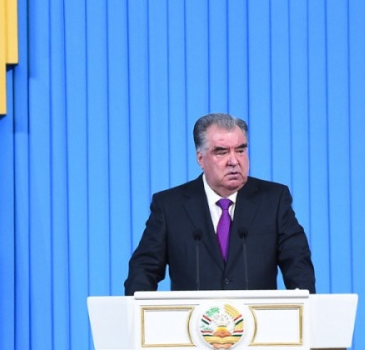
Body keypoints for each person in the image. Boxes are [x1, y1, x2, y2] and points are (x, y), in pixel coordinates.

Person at [124, 113, 316, 294]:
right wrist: (138, 313)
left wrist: (304, 309)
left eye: (240, 150)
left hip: (257, 318)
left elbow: (298, 265)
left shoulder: (273, 200)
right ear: (200, 158)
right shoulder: (170, 206)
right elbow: (143, 270)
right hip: (192, 318)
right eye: (222, 152)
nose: (234, 161)